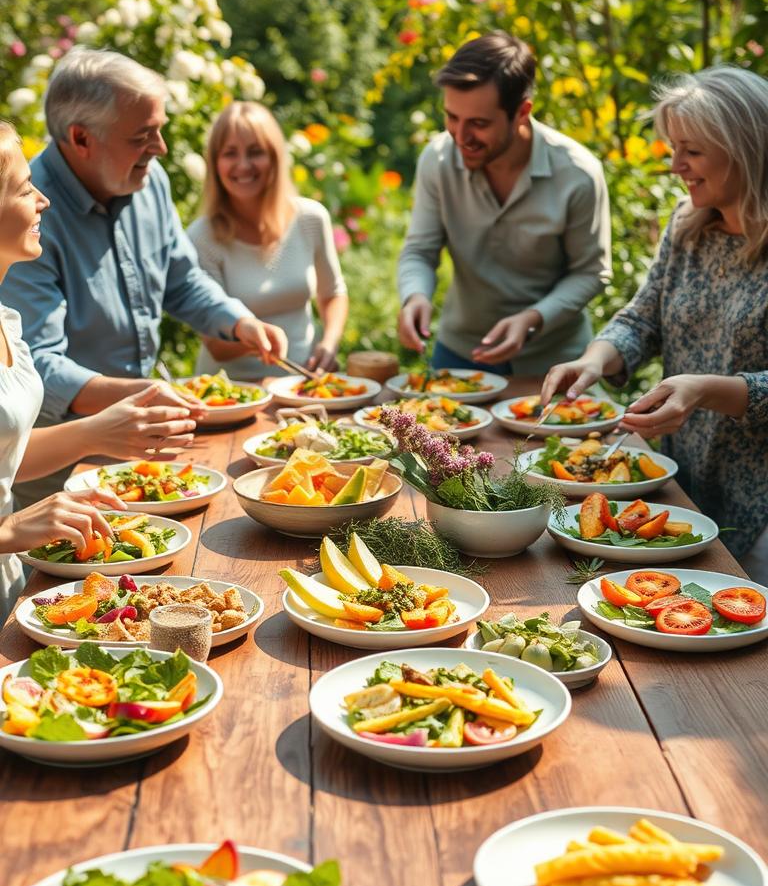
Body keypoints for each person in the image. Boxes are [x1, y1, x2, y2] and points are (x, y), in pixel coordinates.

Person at [0, 47, 288, 506]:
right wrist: (147, 396)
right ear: (81, 138)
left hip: (139, 449)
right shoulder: (24, 216)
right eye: (143, 135)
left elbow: (180, 278)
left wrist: (238, 321)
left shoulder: (148, 180)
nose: (161, 148)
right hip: (55, 476)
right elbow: (42, 365)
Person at [541, 65, 768, 575]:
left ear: (745, 148)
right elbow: (643, 320)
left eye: (691, 150)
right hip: (683, 486)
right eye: (673, 148)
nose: (675, 165)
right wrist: (593, 361)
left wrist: (706, 389)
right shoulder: (688, 226)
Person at [0, 120, 204, 620]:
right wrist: (9, 530)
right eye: (25, 189)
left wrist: (96, 432)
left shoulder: (6, 320)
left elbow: (5, 459)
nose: (43, 201)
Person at [397, 31, 612, 375]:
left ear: (522, 112)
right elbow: (420, 250)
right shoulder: (436, 160)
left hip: (554, 360)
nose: (461, 137)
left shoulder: (578, 174)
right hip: (460, 354)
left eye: (479, 124)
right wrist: (415, 296)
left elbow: (590, 272)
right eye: (452, 117)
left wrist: (532, 319)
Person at [188, 101, 348, 380]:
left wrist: (329, 343)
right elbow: (215, 345)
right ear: (214, 164)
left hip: (303, 383)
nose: (243, 165)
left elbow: (333, 292)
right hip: (232, 394)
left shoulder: (310, 218)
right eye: (230, 153)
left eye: (255, 152)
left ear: (275, 157)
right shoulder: (202, 238)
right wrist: (261, 341)